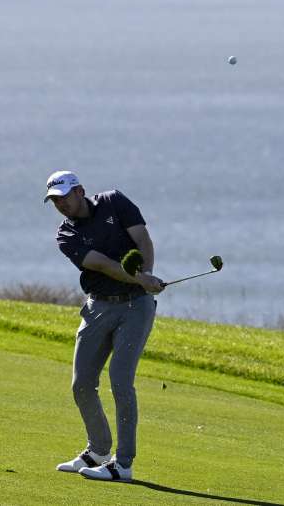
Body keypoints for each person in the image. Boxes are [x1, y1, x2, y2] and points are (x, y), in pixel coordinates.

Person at [44, 170, 165, 482]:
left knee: (120, 381)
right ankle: (97, 450)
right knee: (81, 383)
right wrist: (143, 278)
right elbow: (103, 265)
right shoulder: (65, 236)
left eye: (64, 198)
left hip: (135, 307)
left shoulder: (115, 202)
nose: (61, 205)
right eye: (54, 201)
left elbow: (142, 238)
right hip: (97, 305)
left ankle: (122, 464)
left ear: (80, 191)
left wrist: (147, 274)